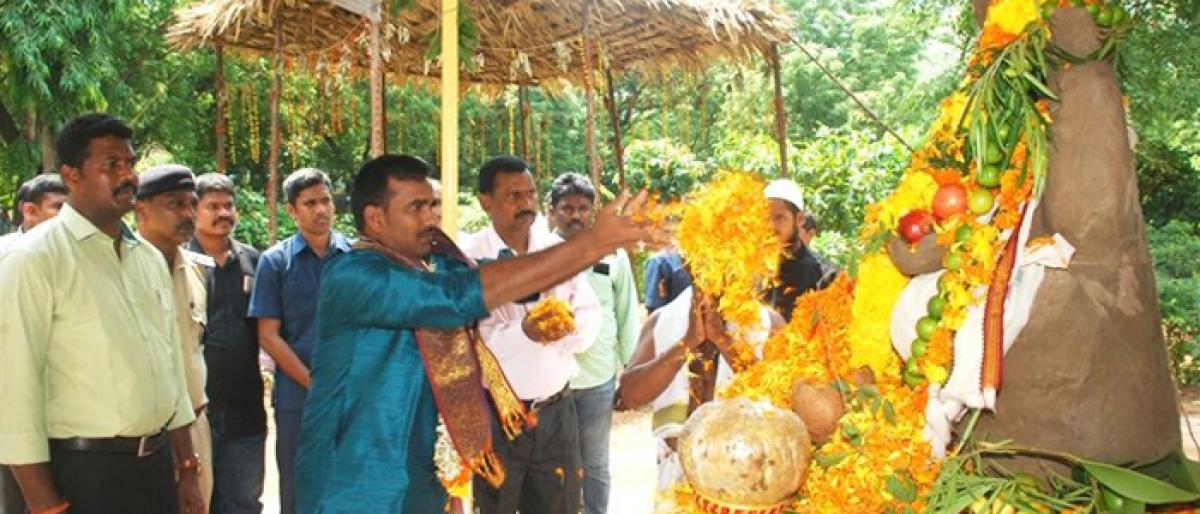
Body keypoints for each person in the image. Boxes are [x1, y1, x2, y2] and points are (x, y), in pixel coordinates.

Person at [296, 155, 651, 513]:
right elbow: (456, 297)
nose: (431, 218)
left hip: (418, 481)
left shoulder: (431, 264)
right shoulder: (353, 275)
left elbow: (485, 277)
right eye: (416, 208)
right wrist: (593, 243)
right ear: (375, 218)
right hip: (352, 484)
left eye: (432, 205)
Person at [0, 113, 203, 514]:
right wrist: (44, 504)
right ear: (71, 176)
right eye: (111, 165)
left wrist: (187, 468)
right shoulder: (34, 260)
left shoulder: (146, 259)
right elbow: (13, 390)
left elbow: (171, 371)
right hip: (82, 475)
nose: (127, 175)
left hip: (156, 469)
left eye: (130, 163)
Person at [460, 156, 601, 514]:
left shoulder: (555, 249)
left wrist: (564, 330)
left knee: (562, 506)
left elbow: (588, 314)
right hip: (498, 416)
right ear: (485, 202)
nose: (526, 203)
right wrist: (525, 332)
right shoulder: (469, 259)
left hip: (556, 412)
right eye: (513, 196)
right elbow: (472, 343)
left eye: (531, 194)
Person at [248, 168, 351, 514]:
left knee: (351, 486)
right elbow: (268, 336)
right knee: (299, 488)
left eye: (325, 201)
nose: (321, 210)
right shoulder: (275, 262)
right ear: (292, 211)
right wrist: (316, 384)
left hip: (354, 395)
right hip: (298, 400)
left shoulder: (357, 257)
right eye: (310, 203)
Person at [615, 286, 781, 498]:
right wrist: (687, 342)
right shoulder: (661, 321)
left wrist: (722, 340)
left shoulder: (769, 325)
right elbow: (628, 397)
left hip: (745, 485)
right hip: (675, 481)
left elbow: (781, 402)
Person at [547, 172, 639, 514]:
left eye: (583, 208)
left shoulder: (613, 256)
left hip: (598, 379)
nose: (575, 215)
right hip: (551, 385)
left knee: (596, 463)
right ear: (553, 211)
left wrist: (631, 374)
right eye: (567, 208)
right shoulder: (539, 253)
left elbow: (627, 312)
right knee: (555, 463)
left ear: (593, 211)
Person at [134, 164, 215, 512]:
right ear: (141, 210)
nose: (188, 214)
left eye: (191, 203)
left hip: (195, 425)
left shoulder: (197, 270)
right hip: (146, 437)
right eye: (174, 204)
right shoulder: (123, 268)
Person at [187, 173, 267, 514]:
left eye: (229, 205)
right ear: (194, 210)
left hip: (246, 404)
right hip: (195, 408)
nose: (223, 213)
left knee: (244, 500)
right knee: (199, 499)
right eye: (213, 206)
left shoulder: (253, 261)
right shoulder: (178, 262)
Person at [0, 173, 69, 514]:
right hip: (15, 409)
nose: (71, 216)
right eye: (60, 207)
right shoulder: (8, 258)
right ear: (29, 211)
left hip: (64, 415)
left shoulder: (75, 257)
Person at [764, 179, 837, 321]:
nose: (771, 227)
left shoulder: (827, 277)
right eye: (766, 218)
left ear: (799, 219)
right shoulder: (751, 274)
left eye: (780, 218)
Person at [0, 173, 67, 254]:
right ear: (30, 211)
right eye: (60, 207)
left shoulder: (79, 250)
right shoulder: (4, 251)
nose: (70, 213)